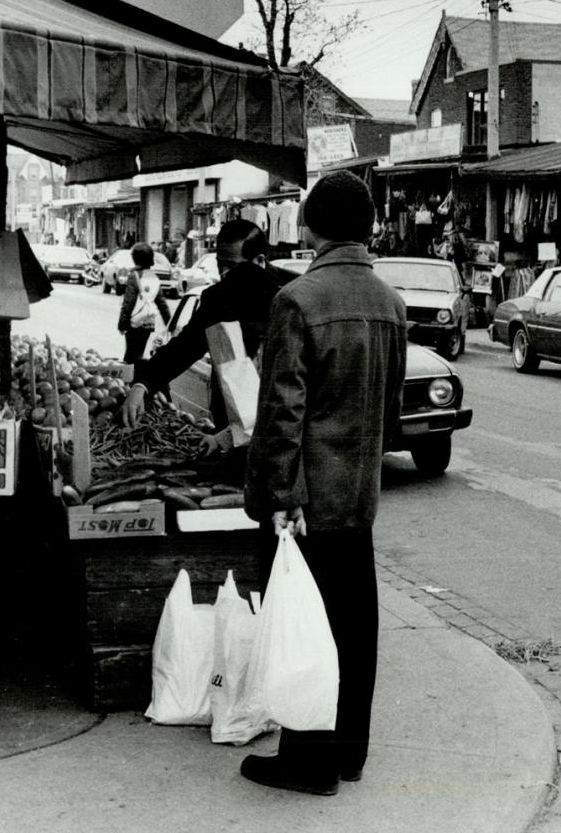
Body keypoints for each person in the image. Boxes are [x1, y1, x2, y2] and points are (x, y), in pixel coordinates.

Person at [241, 170, 407, 797]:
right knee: (353, 625)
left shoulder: (298, 300)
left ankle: (307, 761)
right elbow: (390, 419)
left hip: (306, 500)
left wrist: (283, 497)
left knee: (305, 626)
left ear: (310, 226)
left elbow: (283, 412)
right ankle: (348, 755)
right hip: (357, 495)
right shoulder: (390, 303)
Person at [118, 219, 285, 448]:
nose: (224, 273)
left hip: (280, 433)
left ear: (259, 261)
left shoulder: (288, 297)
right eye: (220, 264)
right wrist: (142, 385)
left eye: (232, 266)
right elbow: (184, 347)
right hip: (228, 428)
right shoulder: (216, 298)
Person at [116, 242, 171, 362]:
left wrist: (122, 323)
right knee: (139, 353)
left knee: (130, 356)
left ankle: (133, 378)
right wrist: (170, 324)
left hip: (134, 322)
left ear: (135, 258)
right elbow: (162, 304)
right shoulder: (154, 277)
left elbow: (128, 303)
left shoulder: (133, 276)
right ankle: (139, 376)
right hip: (148, 322)